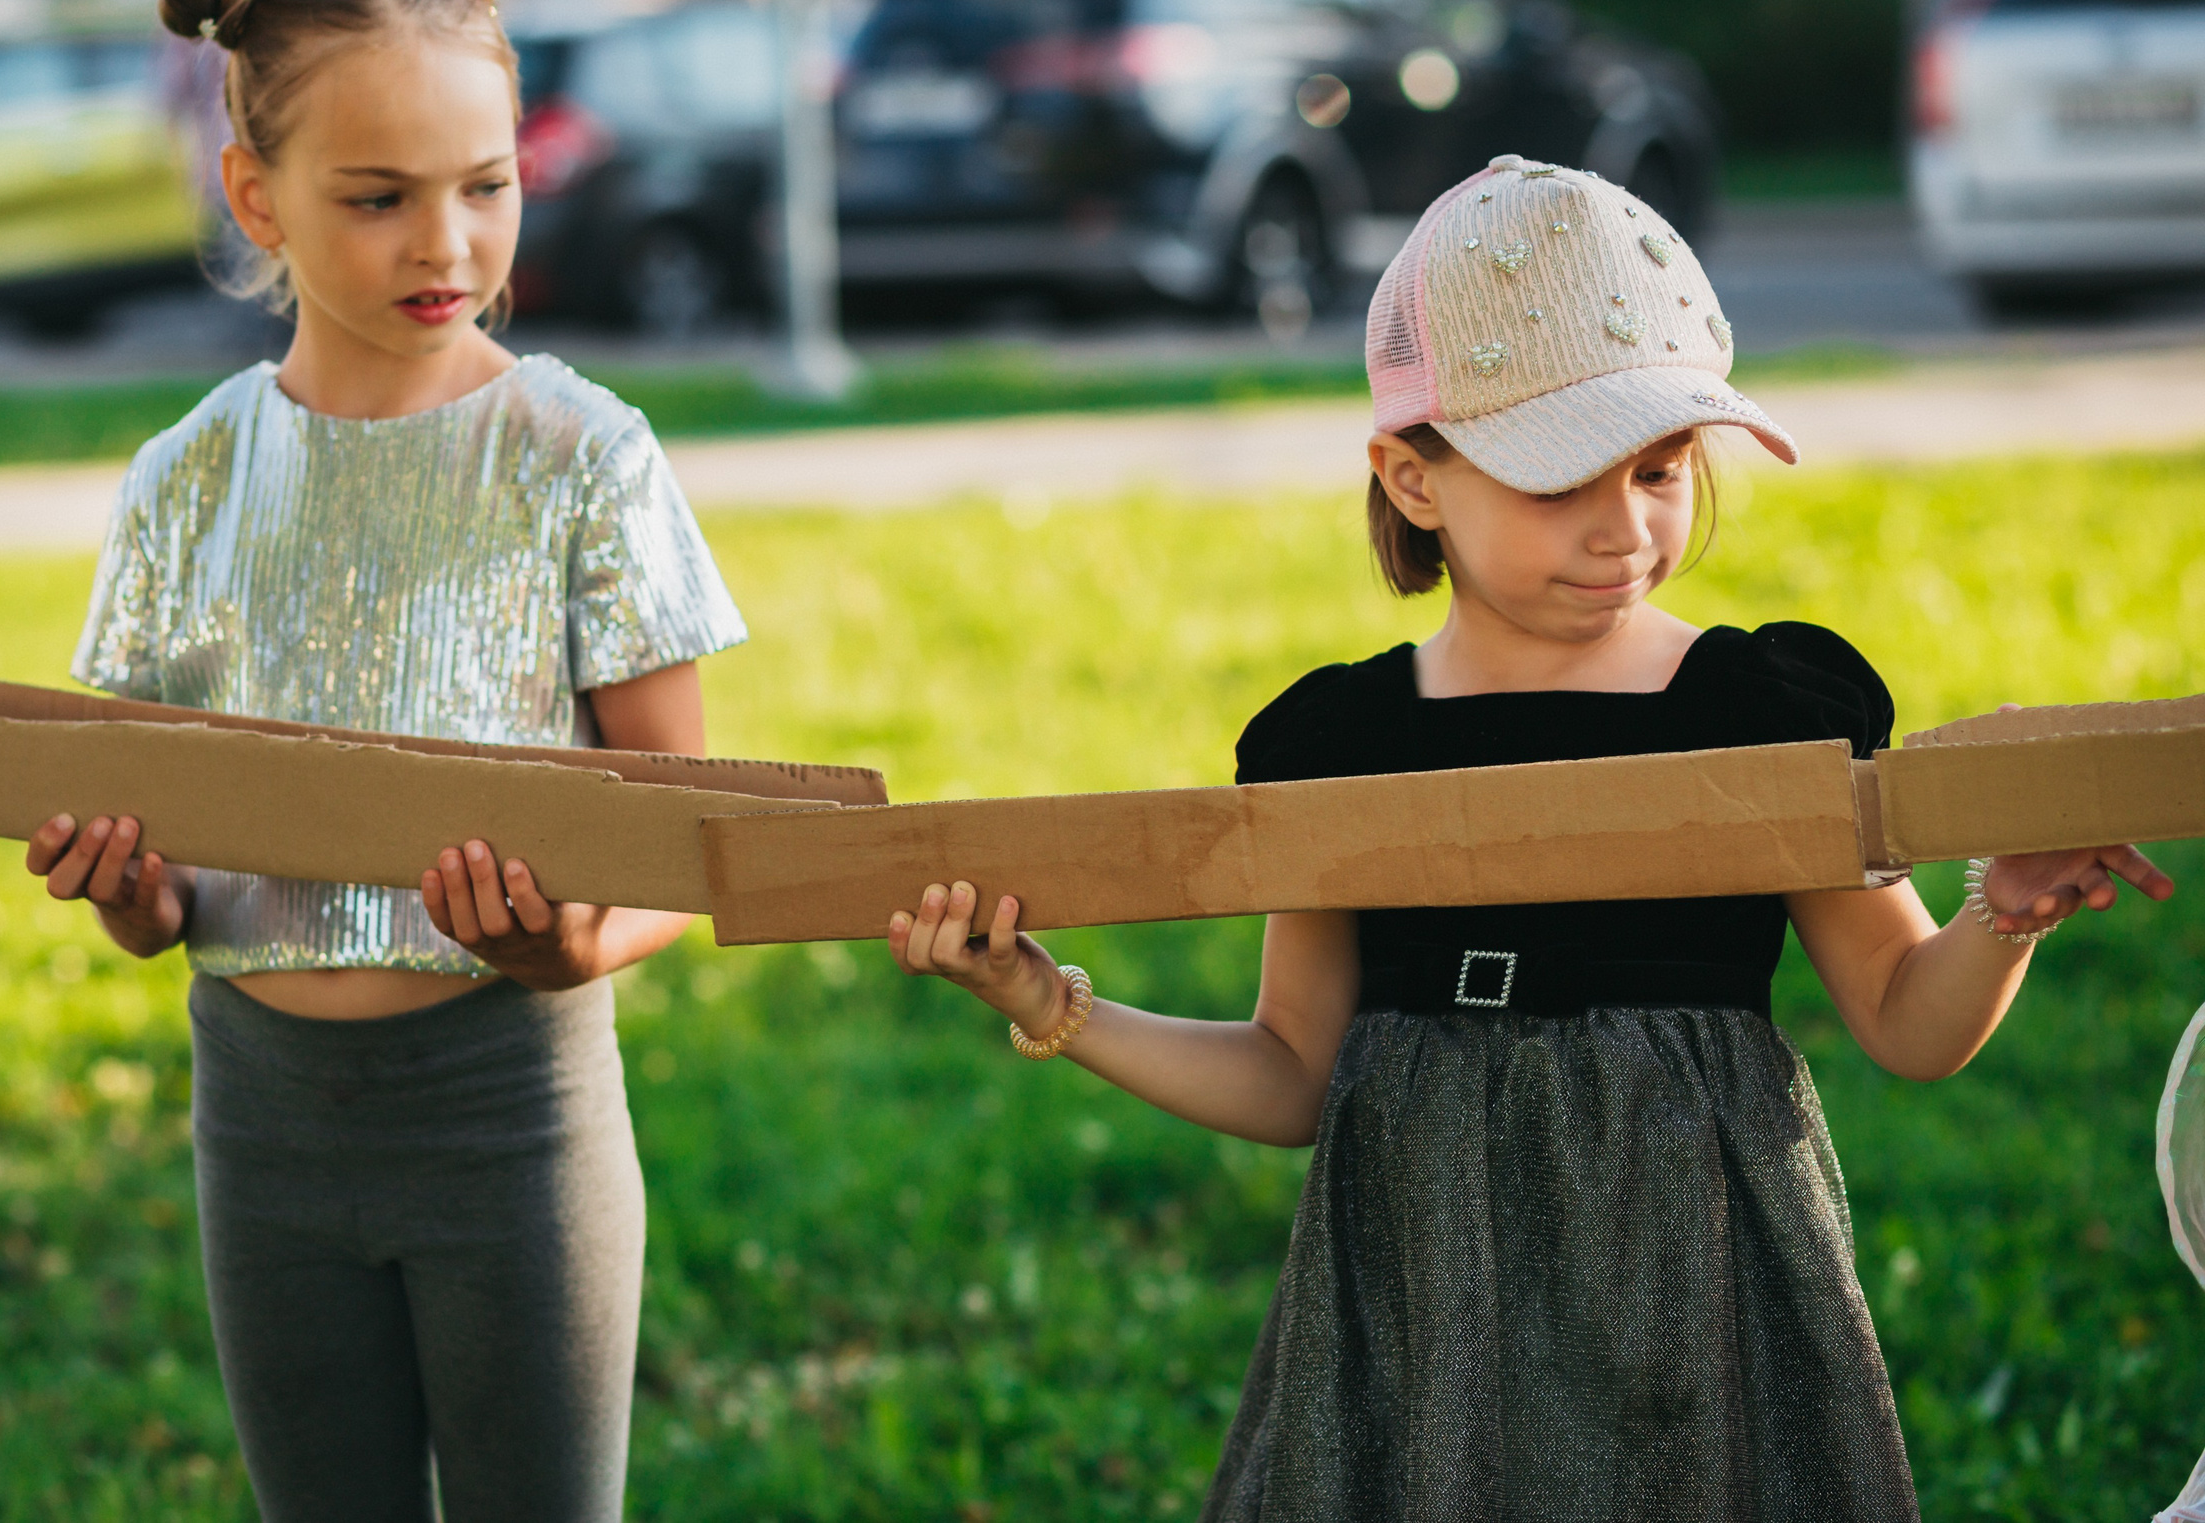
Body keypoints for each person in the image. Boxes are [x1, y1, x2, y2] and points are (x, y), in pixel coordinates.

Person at [888, 155, 2175, 1519]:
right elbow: (1291, 1075)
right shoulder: (1343, 748)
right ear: (1414, 479)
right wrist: (1051, 1003)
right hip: (1423, 1330)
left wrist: (2004, 912)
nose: (1626, 530)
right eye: (1561, 484)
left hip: (1696, 1307)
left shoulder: (1757, 712)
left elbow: (1909, 1021)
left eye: (1663, 470)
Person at [21, 0, 747, 1523]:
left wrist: (573, 945)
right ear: (255, 194)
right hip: (263, 1128)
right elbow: (166, 878)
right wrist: (131, 895)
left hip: (512, 1117)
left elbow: (693, 833)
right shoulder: (185, 479)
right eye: (378, 199)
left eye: (487, 185)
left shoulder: (580, 456)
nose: (447, 245)